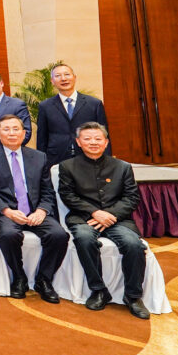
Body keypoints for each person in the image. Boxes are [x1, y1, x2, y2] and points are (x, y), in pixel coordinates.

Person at [59, 123, 149, 319]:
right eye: (87, 139)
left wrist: (110, 215)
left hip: (118, 219)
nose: (93, 142)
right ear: (78, 142)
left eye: (98, 139)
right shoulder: (67, 166)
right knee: (84, 239)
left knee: (134, 245)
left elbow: (132, 197)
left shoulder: (123, 167)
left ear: (106, 142)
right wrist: (95, 212)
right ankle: (99, 290)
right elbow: (68, 196)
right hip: (84, 218)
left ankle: (133, 296)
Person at [0, 114, 68, 303]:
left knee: (59, 235)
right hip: (6, 212)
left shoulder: (39, 157)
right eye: (6, 129)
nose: (12, 133)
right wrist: (7, 211)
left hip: (35, 211)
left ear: (24, 133)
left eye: (16, 129)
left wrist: (42, 211)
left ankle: (44, 280)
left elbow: (47, 191)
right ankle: (19, 277)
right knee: (9, 234)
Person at [37, 63, 110, 167]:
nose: (63, 79)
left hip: (88, 157)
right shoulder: (45, 106)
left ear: (74, 77)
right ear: (52, 81)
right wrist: (42, 164)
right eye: (58, 76)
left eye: (67, 74)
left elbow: (104, 134)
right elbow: (42, 138)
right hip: (56, 159)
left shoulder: (94, 104)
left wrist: (106, 162)